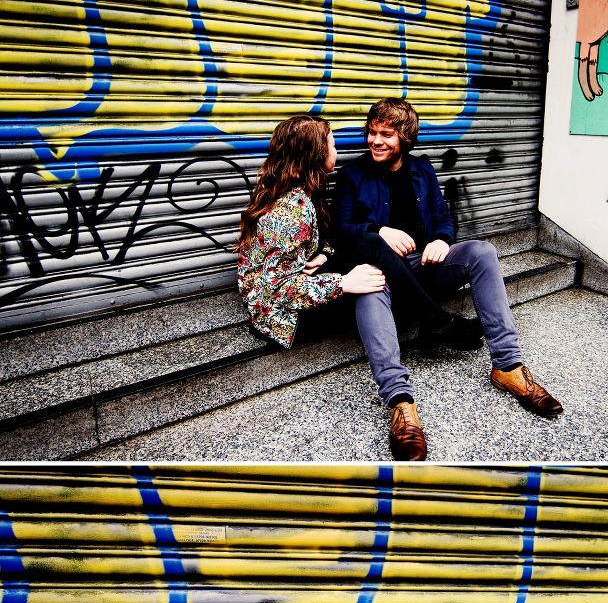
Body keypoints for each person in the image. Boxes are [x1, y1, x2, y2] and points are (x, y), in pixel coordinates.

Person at [331, 98, 563, 458]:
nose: (375, 140)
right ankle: (400, 403)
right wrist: (378, 231)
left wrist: (441, 239)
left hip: (423, 266)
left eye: (386, 134)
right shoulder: (352, 176)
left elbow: (443, 216)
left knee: (481, 252)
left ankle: (508, 365)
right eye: (372, 132)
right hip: (382, 273)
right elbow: (340, 233)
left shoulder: (422, 171)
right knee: (369, 285)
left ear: (405, 138)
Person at [237, 114, 385, 349]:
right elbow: (277, 289)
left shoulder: (299, 191)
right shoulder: (290, 212)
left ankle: (432, 316)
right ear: (317, 155)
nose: (336, 152)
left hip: (293, 293)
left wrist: (324, 254)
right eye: (333, 146)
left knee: (371, 244)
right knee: (372, 262)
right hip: (284, 322)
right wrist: (343, 283)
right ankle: (431, 317)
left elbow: (322, 238)